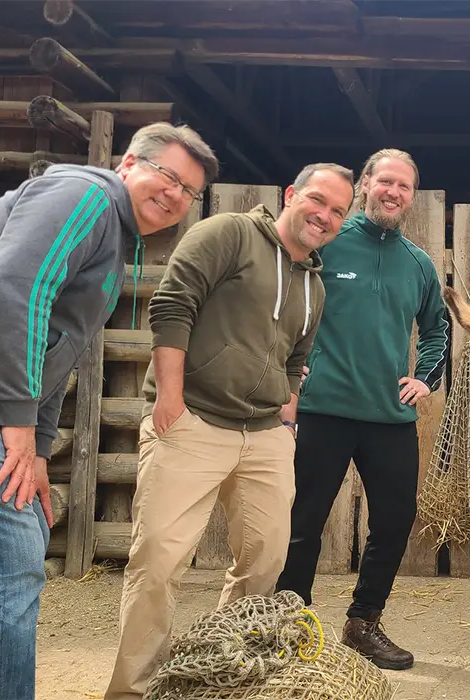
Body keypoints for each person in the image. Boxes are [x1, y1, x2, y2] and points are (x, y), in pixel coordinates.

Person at [0, 122, 218, 700]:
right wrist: (16, 423)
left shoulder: (113, 233)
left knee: (14, 547)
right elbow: (17, 292)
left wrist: (34, 444)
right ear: (129, 162)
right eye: (168, 176)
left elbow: (57, 351)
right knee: (4, 563)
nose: (176, 196)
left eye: (189, 192)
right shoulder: (85, 194)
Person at [103, 161, 356, 700]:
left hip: (265, 433)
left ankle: (216, 673)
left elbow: (298, 357)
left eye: (338, 211)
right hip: (193, 418)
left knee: (265, 560)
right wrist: (170, 399)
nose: (325, 216)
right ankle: (134, 689)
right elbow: (173, 306)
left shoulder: (315, 281)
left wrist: (287, 414)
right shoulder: (229, 232)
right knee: (159, 562)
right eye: (318, 200)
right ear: (292, 194)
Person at [275, 148, 450, 670]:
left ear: (411, 198)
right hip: (323, 410)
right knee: (303, 520)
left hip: (389, 418)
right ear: (367, 185)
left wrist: (425, 378)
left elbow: (437, 328)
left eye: (405, 187)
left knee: (395, 521)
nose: (394, 193)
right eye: (386, 182)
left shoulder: (419, 264)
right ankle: (291, 624)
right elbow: (285, 304)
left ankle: (363, 622)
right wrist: (290, 366)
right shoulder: (327, 246)